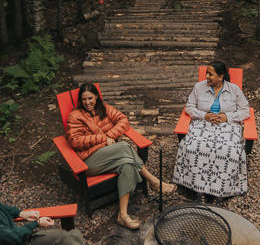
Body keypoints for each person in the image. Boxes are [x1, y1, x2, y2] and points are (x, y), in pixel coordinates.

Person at [65, 82, 175, 230]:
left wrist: (109, 136)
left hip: (111, 154)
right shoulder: (75, 116)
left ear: (96, 97)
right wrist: (103, 138)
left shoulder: (104, 108)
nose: (87, 102)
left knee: (127, 164)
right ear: (80, 100)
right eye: (84, 99)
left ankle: (122, 215)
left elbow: (123, 121)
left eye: (90, 98)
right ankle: (153, 181)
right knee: (124, 146)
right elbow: (75, 141)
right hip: (89, 161)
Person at [172, 60, 249, 201]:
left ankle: (221, 188)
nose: (206, 76)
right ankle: (195, 186)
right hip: (202, 123)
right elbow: (189, 107)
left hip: (228, 126)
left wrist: (227, 117)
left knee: (229, 150)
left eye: (210, 74)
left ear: (221, 76)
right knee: (192, 146)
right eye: (206, 73)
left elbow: (245, 110)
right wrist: (204, 115)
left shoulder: (234, 90)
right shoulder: (199, 87)